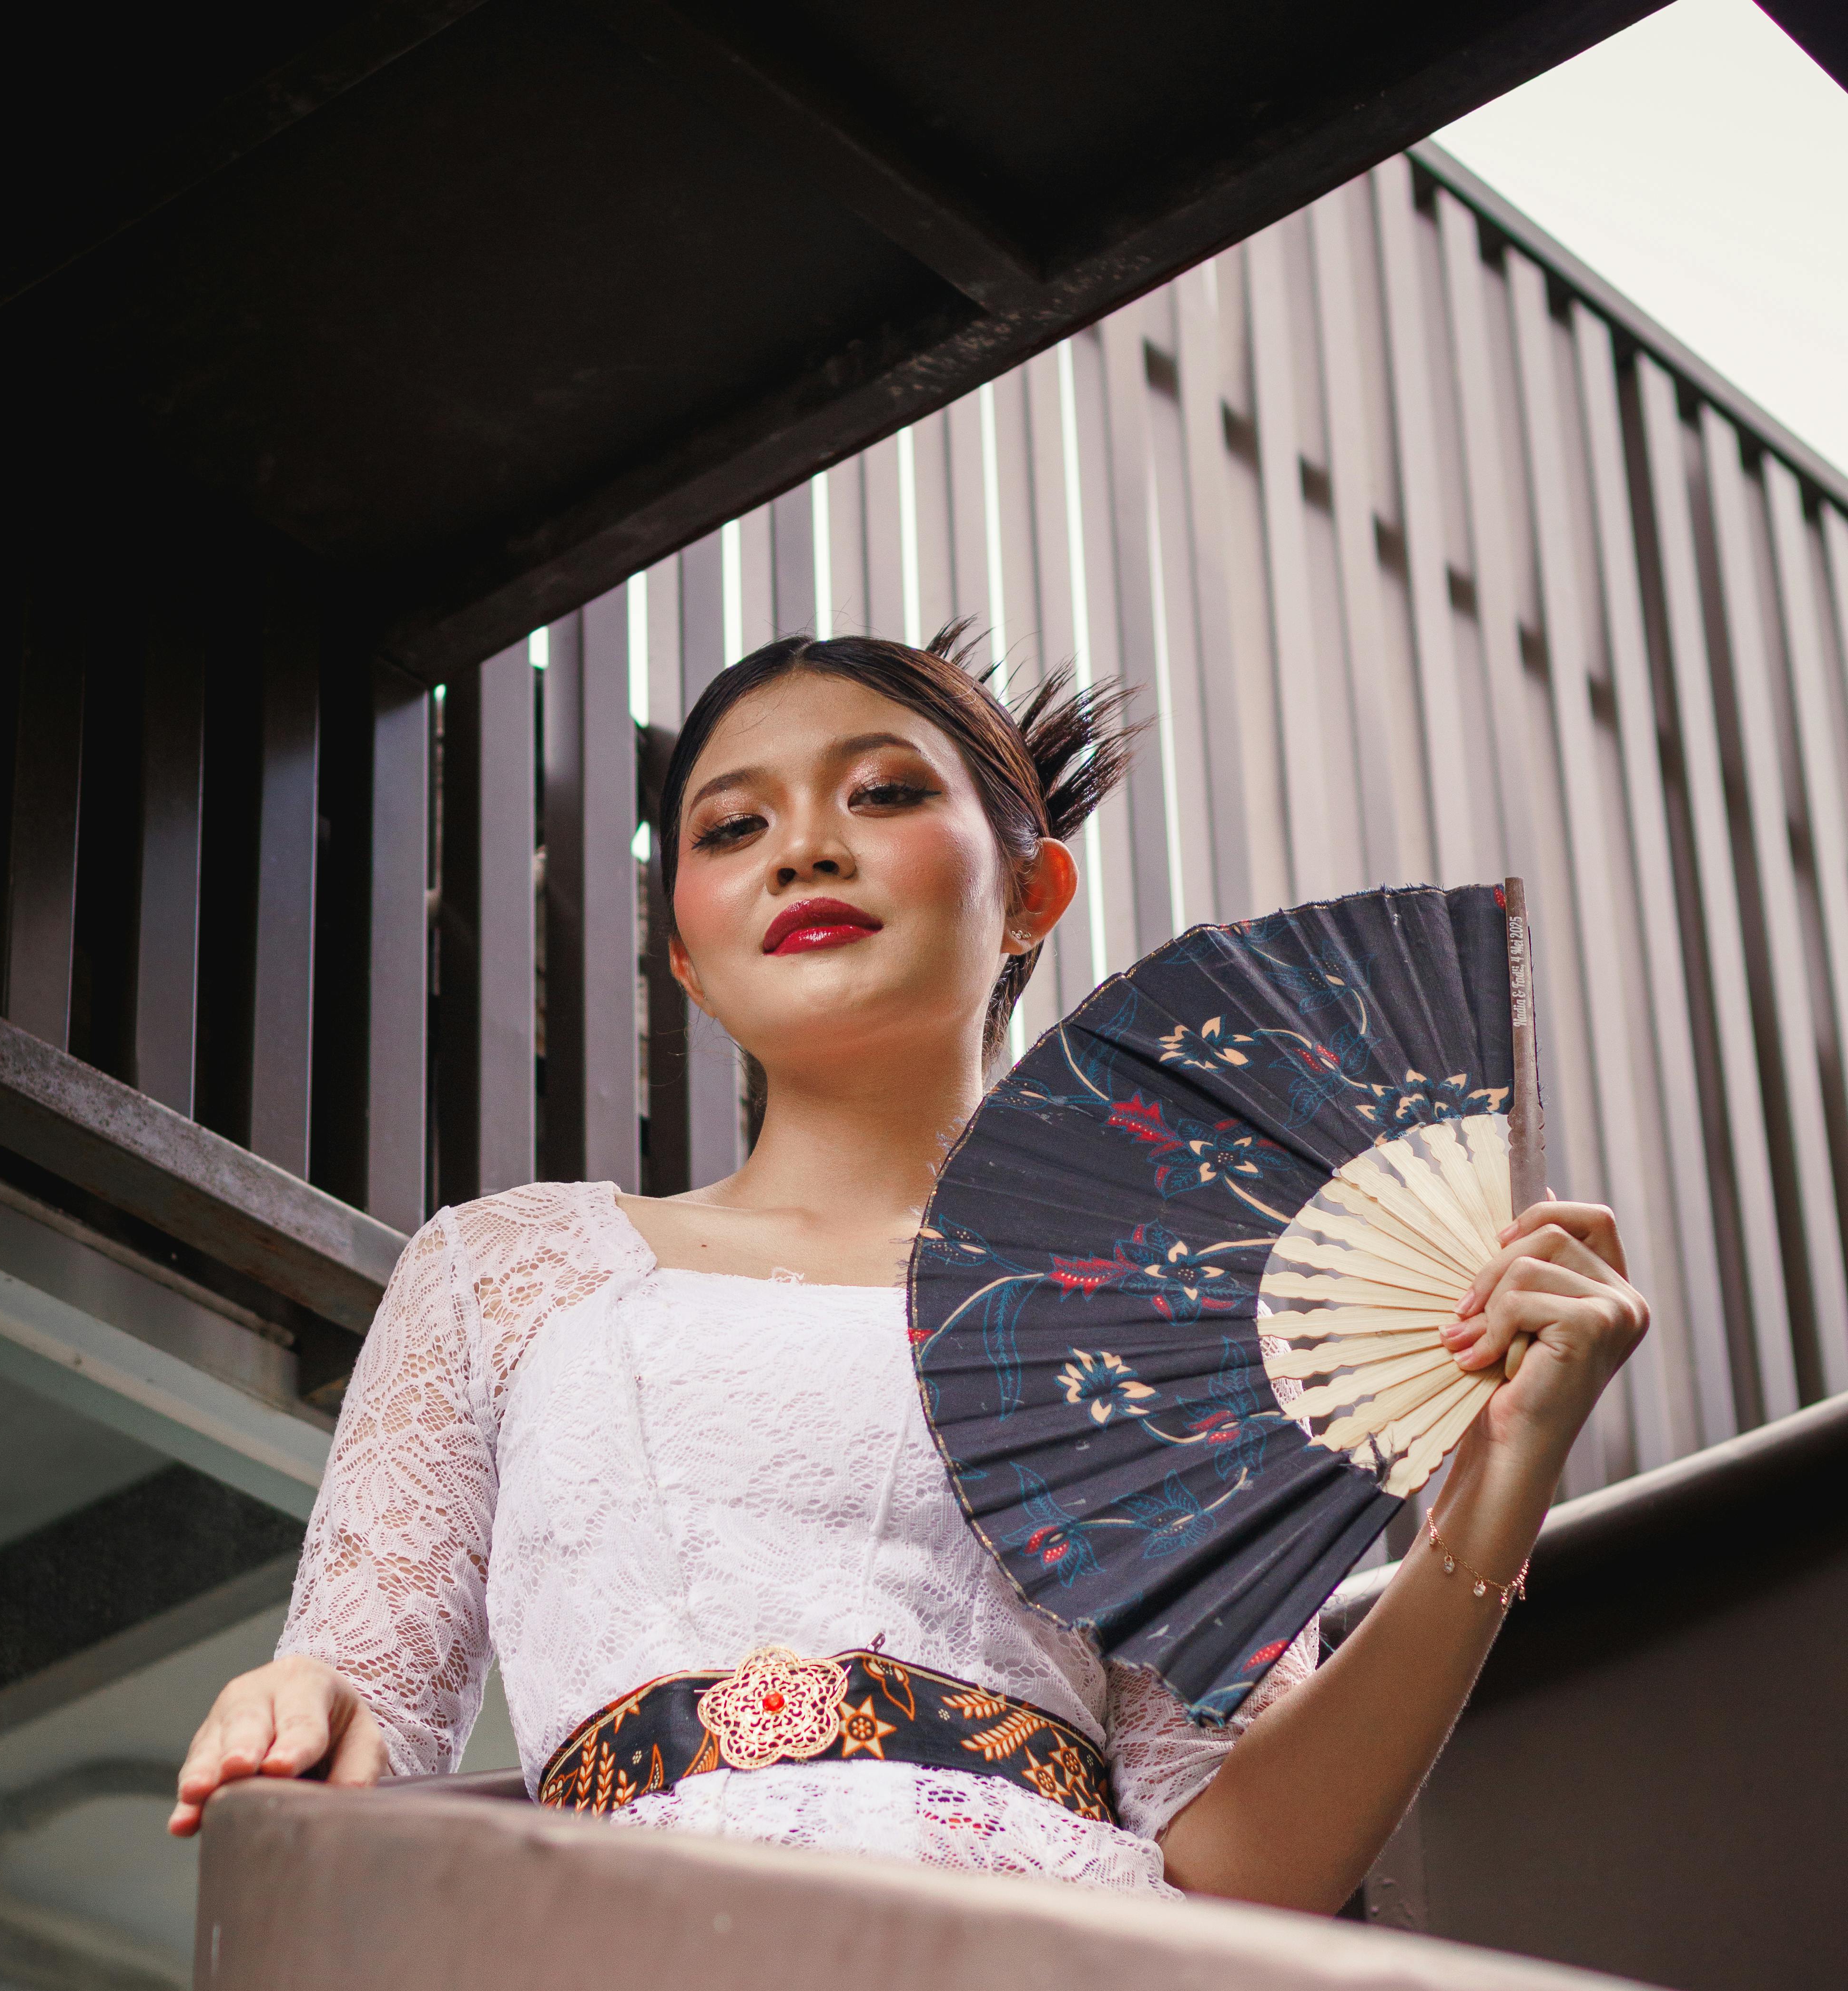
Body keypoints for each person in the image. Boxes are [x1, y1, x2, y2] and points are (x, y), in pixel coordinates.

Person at [168, 628, 1647, 1906]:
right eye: (731, 828)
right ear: (682, 948)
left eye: (883, 793)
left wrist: (1498, 1478)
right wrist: (296, 1700)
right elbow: (369, 1708)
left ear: (1033, 888)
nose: (806, 846)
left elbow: (1247, 1858)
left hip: (1056, 1986)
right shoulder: (507, 1270)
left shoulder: (1148, 1321)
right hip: (633, 1968)